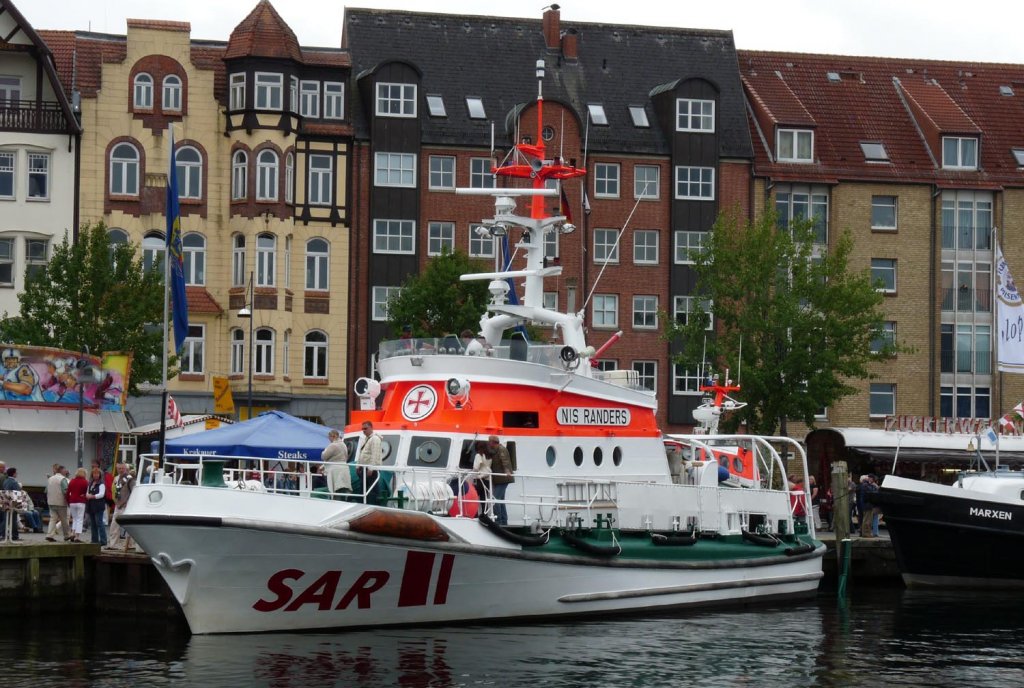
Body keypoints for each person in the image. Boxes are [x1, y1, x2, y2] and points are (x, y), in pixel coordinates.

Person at [487, 435, 514, 525]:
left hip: (503, 479)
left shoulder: (501, 449)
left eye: (489, 441)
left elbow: (505, 461)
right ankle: (504, 520)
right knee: (501, 501)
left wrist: (507, 471)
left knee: (495, 499)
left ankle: (498, 520)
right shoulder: (496, 450)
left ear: (493, 442)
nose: (488, 443)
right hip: (499, 480)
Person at [108, 463, 135, 550]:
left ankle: (130, 544)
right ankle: (113, 544)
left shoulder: (130, 479)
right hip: (118, 505)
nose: (121, 470)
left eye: (122, 468)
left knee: (128, 526)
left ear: (126, 469)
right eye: (119, 468)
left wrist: (129, 502)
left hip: (126, 505)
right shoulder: (117, 478)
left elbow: (134, 492)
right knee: (114, 526)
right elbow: (114, 491)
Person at [358, 421, 385, 504]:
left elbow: (375, 454)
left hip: (370, 469)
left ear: (371, 428)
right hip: (365, 468)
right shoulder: (367, 439)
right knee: (365, 488)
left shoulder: (375, 439)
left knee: (372, 488)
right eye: (362, 429)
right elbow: (363, 453)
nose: (364, 430)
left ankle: (373, 504)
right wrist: (358, 465)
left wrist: (371, 468)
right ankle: (366, 503)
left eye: (365, 428)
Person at [322, 429, 352, 495]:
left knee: (335, 490)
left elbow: (324, 456)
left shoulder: (333, 445)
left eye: (329, 437)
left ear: (333, 436)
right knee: (342, 489)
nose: (329, 439)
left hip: (335, 470)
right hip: (344, 468)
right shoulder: (344, 444)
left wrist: (324, 451)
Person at [45, 465, 71, 542]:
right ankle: (67, 535)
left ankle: (49, 535)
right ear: (62, 471)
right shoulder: (62, 479)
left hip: (51, 502)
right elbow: (65, 491)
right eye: (65, 470)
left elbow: (46, 491)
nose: (65, 471)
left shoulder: (50, 479)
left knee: (53, 519)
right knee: (64, 519)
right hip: (61, 502)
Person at [85, 465, 108, 546]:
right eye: (94, 474)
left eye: (97, 474)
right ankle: (94, 540)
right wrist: (87, 495)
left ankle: (103, 540)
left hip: (98, 506)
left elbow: (101, 494)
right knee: (93, 524)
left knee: (99, 523)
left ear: (100, 475)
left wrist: (92, 496)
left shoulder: (101, 484)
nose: (95, 475)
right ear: (92, 475)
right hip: (91, 505)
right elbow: (87, 492)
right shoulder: (90, 483)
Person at [66, 467, 88, 542]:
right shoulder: (85, 482)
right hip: (81, 502)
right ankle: (77, 536)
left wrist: (68, 501)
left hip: (72, 502)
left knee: (75, 519)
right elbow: (87, 493)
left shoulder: (72, 481)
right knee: (80, 519)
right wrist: (85, 497)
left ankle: (72, 533)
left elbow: (67, 492)